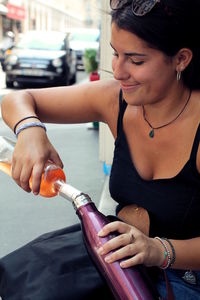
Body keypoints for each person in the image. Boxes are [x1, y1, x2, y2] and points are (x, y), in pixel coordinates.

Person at [1, 0, 200, 299]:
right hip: (124, 266)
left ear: (181, 59)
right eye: (116, 53)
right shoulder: (114, 99)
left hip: (186, 278)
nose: (118, 71)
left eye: (135, 60)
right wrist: (30, 129)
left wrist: (159, 250)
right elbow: (17, 99)